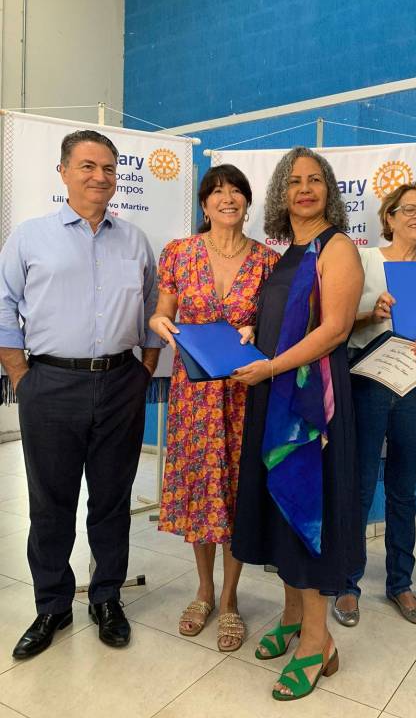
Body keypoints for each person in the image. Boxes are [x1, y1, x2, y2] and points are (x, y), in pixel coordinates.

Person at [0, 129, 161, 658]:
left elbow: (154, 308)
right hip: (49, 384)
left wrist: (145, 369)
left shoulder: (134, 241)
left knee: (112, 501)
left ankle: (107, 598)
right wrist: (21, 375)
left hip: (120, 383)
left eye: (109, 168)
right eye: (88, 166)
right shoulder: (29, 237)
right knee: (51, 503)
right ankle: (52, 605)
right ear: (64, 172)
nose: (100, 176)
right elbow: (3, 305)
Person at [231, 146, 364, 701]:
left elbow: (334, 330)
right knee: (279, 510)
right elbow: (281, 321)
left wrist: (270, 366)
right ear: (281, 194)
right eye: (293, 181)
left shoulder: (338, 248)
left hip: (312, 406)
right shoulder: (288, 252)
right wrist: (252, 335)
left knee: (306, 510)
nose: (304, 189)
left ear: (329, 190)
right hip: (275, 395)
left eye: (314, 180)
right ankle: (290, 617)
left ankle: (317, 642)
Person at [149, 164, 278, 652]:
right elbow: (162, 313)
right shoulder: (179, 253)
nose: (227, 199)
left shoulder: (267, 261)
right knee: (202, 489)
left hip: (244, 391)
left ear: (247, 202)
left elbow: (275, 328)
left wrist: (256, 330)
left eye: (236, 191)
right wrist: (161, 325)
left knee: (237, 491)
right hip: (194, 394)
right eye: (217, 192)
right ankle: (203, 590)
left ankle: (230, 598)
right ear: (204, 204)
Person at [333, 183, 416, 628]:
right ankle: (347, 584)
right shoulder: (364, 260)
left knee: (403, 488)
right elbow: (335, 323)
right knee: (360, 485)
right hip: (367, 382)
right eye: (409, 209)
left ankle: (401, 583)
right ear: (389, 217)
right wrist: (372, 312)